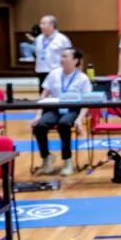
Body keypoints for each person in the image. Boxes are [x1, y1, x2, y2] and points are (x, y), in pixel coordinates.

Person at [32, 47, 91, 177]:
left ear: (75, 60)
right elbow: (44, 96)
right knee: (39, 126)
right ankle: (46, 157)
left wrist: (79, 119)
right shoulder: (54, 74)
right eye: (61, 56)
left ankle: (67, 161)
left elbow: (87, 102)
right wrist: (38, 115)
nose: (62, 59)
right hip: (55, 109)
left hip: (72, 109)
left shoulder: (82, 78)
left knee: (64, 124)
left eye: (65, 56)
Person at [34, 15, 72, 92]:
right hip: (41, 71)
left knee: (56, 94)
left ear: (52, 25)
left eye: (43, 23)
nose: (41, 26)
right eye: (40, 23)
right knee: (43, 96)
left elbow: (70, 55)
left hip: (57, 72)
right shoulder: (38, 39)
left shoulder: (62, 39)